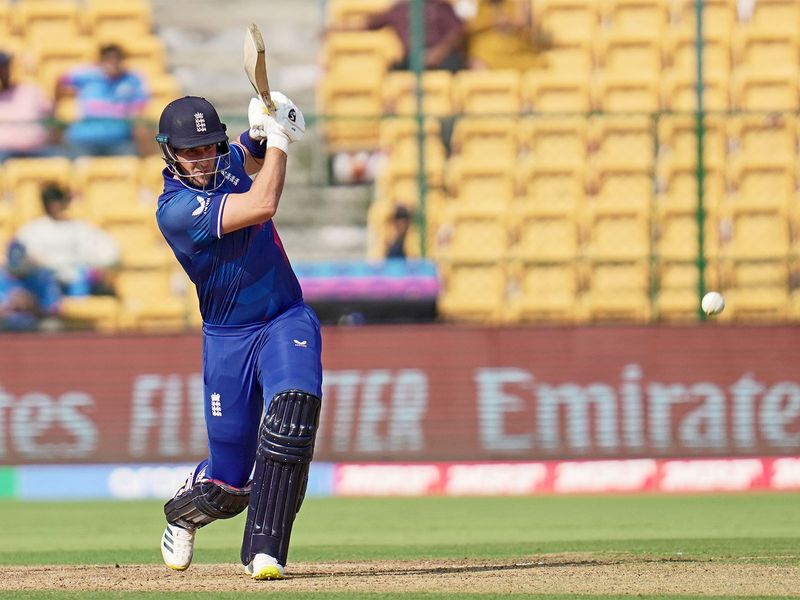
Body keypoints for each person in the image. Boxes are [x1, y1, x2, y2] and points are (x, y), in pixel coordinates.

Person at [154, 92, 322, 581]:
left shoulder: (224, 160)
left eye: (209, 147)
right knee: (228, 485)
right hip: (228, 339)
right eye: (191, 151)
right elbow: (263, 203)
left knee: (292, 416)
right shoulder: (175, 210)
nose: (203, 159)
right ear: (170, 153)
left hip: (285, 317)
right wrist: (281, 141)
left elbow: (249, 149)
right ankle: (184, 512)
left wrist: (267, 125)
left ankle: (265, 551)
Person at [13, 184, 119, 296]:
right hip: (45, 282)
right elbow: (17, 253)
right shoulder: (32, 230)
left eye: (57, 201)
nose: (55, 206)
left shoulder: (79, 228)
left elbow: (108, 250)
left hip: (76, 280)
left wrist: (97, 266)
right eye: (51, 202)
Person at [56, 44, 150, 157]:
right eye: (108, 59)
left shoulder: (132, 80)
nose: (113, 63)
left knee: (130, 160)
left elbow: (138, 114)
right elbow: (60, 81)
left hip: (119, 141)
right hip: (83, 139)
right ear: (101, 61)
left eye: (117, 58)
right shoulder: (87, 76)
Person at [334, 0, 467, 72]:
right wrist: (336, 29)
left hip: (444, 59)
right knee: (391, 74)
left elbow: (457, 33)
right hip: (411, 60)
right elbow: (367, 24)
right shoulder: (398, 10)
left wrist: (437, 53)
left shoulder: (441, 7)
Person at [0, 50, 56, 161]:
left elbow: (51, 118)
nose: (3, 72)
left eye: (4, 67)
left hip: (38, 148)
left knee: (61, 161)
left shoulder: (31, 90)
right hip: (4, 151)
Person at [466, 0, 550, 71]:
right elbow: (464, 27)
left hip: (517, 53)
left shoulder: (517, 4)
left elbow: (533, 33)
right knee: (479, 68)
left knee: (542, 66)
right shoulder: (471, 3)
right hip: (486, 55)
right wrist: (492, 21)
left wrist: (520, 16)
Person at [0, 240, 62, 331]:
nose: (18, 274)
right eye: (13, 271)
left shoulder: (43, 277)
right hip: (5, 322)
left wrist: (32, 305)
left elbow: (54, 310)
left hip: (36, 321)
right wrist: (10, 306)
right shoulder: (2, 276)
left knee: (51, 326)